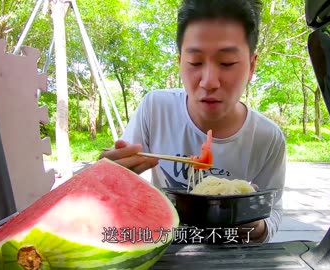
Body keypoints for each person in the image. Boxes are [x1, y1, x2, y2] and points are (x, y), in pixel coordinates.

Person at [99, 0, 286, 243]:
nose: (209, 81)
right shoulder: (156, 109)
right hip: (164, 245)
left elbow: (273, 214)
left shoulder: (267, 138)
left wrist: (254, 222)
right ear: (180, 64)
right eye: (195, 63)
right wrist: (105, 177)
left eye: (227, 63)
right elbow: (117, 188)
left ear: (251, 66)